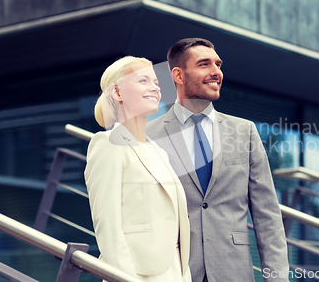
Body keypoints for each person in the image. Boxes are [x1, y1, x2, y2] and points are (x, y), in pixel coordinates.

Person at [146, 39, 289, 282]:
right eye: (204, 64)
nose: (216, 72)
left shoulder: (245, 131)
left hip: (233, 271)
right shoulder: (148, 136)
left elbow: (267, 216)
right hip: (174, 273)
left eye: (218, 64)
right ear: (178, 75)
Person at [84, 56, 191, 281]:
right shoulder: (108, 144)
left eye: (156, 82)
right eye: (143, 80)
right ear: (118, 93)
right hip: (138, 275)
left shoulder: (159, 152)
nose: (154, 87)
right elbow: (109, 228)